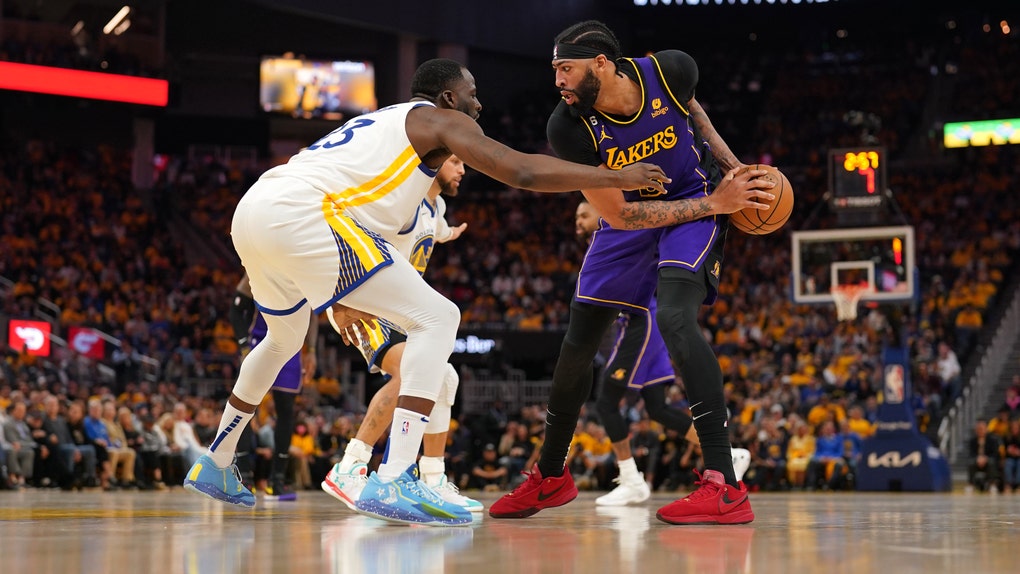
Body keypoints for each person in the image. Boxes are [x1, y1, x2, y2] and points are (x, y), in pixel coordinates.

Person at [183, 57, 685, 527]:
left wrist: (343, 293)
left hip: (255, 208)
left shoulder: (385, 125)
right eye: (472, 94)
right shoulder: (437, 120)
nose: (479, 105)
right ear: (448, 97)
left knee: (281, 340)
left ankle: (218, 460)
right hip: (308, 212)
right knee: (439, 317)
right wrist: (615, 176)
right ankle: (393, 476)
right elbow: (522, 170)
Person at [489, 21, 773, 524]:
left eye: (566, 68)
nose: (557, 80)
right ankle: (550, 475)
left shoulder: (671, 69)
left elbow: (693, 108)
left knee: (676, 318)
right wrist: (719, 202)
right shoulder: (568, 127)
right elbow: (620, 215)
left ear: (602, 64)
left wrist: (732, 168)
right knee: (578, 343)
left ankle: (725, 485)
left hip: (693, 200)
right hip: (634, 216)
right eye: (555, 69)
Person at [321, 154, 483, 514]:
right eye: (455, 161)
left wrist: (449, 234)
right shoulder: (401, 200)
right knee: (411, 373)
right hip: (365, 301)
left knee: (444, 376)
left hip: (399, 308)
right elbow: (347, 237)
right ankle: (349, 468)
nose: (462, 170)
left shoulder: (437, 206)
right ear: (434, 161)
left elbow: (437, 230)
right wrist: (340, 300)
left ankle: (432, 478)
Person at [572, 199, 751, 506]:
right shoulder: (603, 239)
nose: (578, 220)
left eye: (584, 214)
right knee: (656, 407)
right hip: (645, 320)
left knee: (606, 402)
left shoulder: (619, 230)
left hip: (640, 320)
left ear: (603, 212)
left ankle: (631, 479)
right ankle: (729, 454)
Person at [229, 272, 318, 501]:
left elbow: (312, 312)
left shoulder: (303, 267)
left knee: (286, 411)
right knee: (246, 406)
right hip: (260, 341)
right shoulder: (261, 265)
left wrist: (312, 350)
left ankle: (277, 480)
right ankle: (244, 476)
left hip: (292, 347)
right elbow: (235, 309)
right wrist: (243, 345)